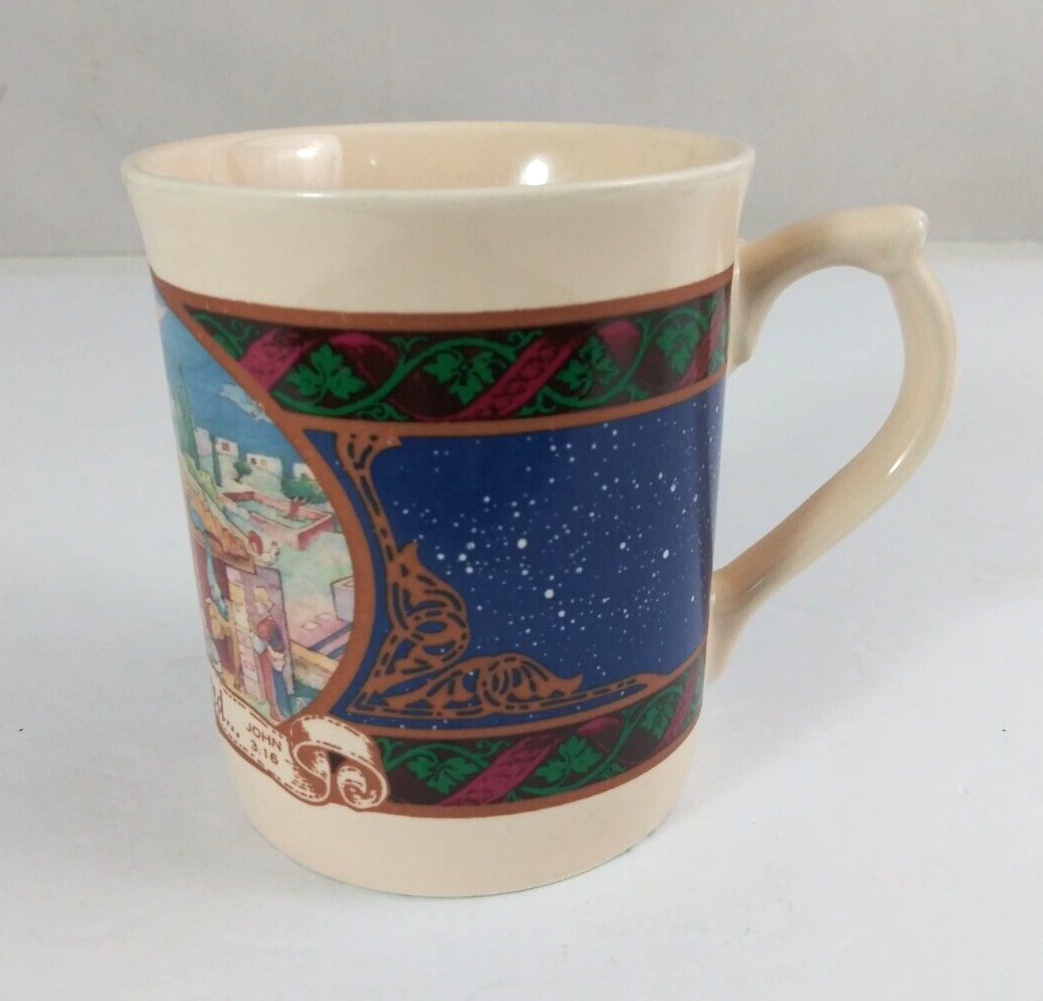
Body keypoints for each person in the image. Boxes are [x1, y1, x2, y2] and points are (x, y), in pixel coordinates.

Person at [251, 586, 294, 720]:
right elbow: (279, 644)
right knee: (279, 685)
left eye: (257, 601)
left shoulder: (263, 626)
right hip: (277, 660)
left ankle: (276, 712)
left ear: (263, 604)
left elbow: (259, 648)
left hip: (269, 662)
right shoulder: (272, 622)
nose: (256, 605)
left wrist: (253, 636)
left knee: (272, 686)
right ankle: (284, 712)